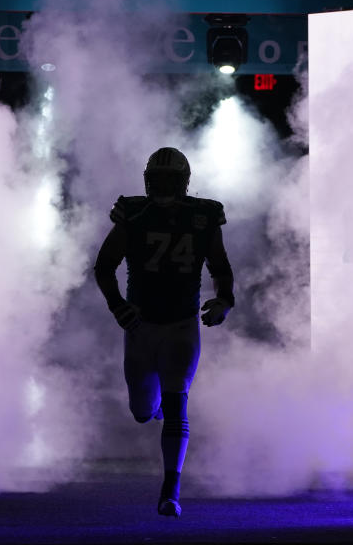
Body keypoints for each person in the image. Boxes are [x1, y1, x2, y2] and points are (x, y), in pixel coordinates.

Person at [94, 147, 235, 518]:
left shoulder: (203, 216)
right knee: (142, 411)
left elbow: (220, 266)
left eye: (169, 180)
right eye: (157, 179)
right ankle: (153, 409)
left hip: (182, 323)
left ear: (184, 182)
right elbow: (104, 266)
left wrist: (224, 301)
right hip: (141, 324)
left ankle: (170, 491)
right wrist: (117, 306)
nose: (162, 186)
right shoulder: (134, 213)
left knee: (178, 405)